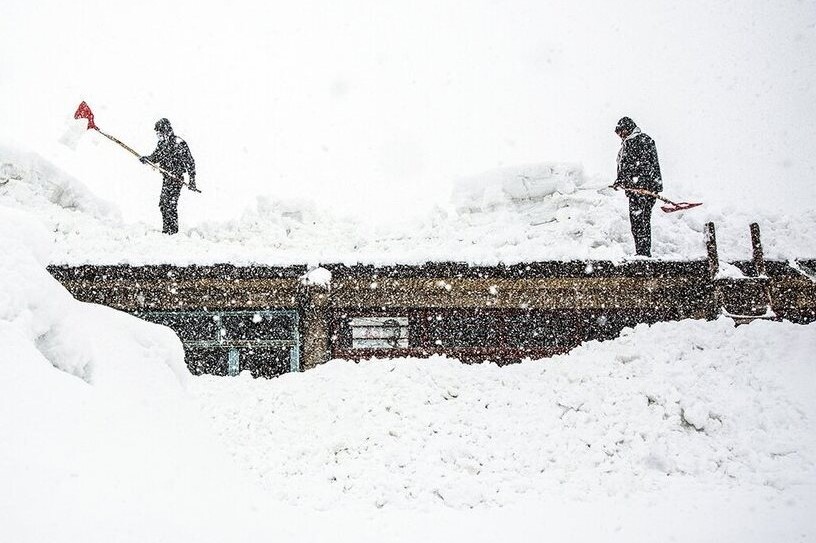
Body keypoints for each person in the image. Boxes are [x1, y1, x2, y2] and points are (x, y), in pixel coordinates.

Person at [613, 116, 662, 257]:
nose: (620, 136)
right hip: (637, 189)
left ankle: (643, 254)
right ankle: (642, 253)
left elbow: (645, 165)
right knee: (639, 222)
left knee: (640, 221)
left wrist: (639, 183)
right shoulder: (629, 143)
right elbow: (627, 167)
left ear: (628, 129)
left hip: (643, 190)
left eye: (621, 132)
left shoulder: (641, 140)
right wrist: (620, 180)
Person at [140, 118, 196, 235]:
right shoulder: (162, 144)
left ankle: (173, 232)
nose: (159, 137)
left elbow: (190, 163)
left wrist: (192, 181)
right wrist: (147, 159)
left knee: (170, 204)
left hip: (177, 178)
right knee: (163, 204)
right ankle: (167, 230)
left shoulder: (179, 143)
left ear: (167, 132)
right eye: (157, 135)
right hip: (166, 178)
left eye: (160, 134)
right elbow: (156, 157)